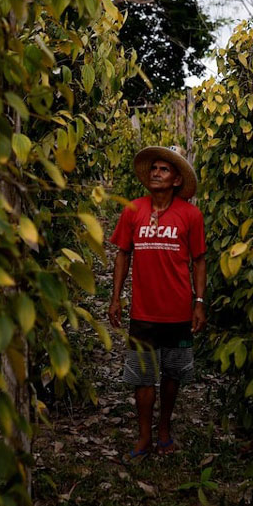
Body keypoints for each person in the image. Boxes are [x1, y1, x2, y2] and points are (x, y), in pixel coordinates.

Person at [108, 145, 207, 461]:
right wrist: (116, 298)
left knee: (173, 374)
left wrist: (199, 302)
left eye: (164, 169)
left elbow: (200, 260)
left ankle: (164, 428)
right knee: (142, 375)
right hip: (144, 313)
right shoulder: (133, 210)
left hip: (178, 312)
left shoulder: (190, 215)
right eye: (154, 169)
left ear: (177, 179)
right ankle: (144, 436)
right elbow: (123, 254)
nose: (156, 173)